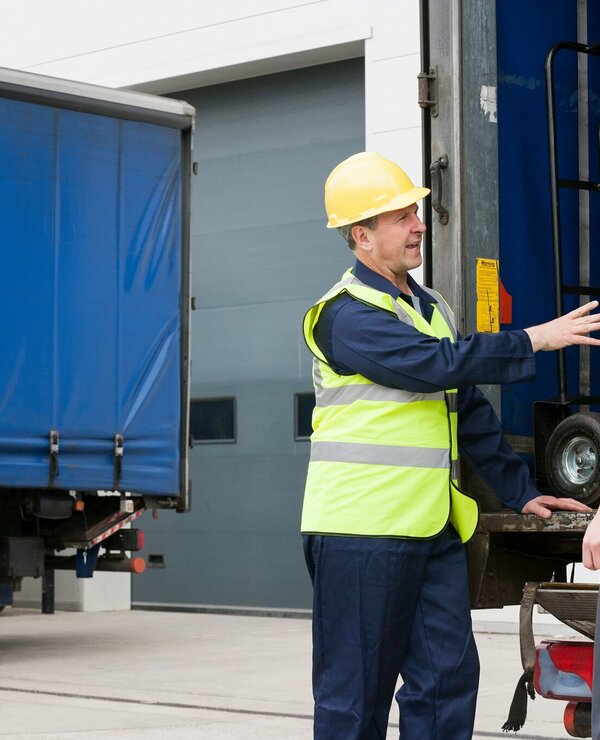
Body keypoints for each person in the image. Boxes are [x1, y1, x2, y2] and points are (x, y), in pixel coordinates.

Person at [301, 151, 600, 740]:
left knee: (446, 681)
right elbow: (434, 366)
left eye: (415, 211)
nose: (418, 224)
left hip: (431, 530)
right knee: (355, 695)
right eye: (400, 217)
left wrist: (521, 493)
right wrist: (533, 340)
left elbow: (464, 407)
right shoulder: (343, 316)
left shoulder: (430, 307)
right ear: (362, 236)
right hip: (361, 533)